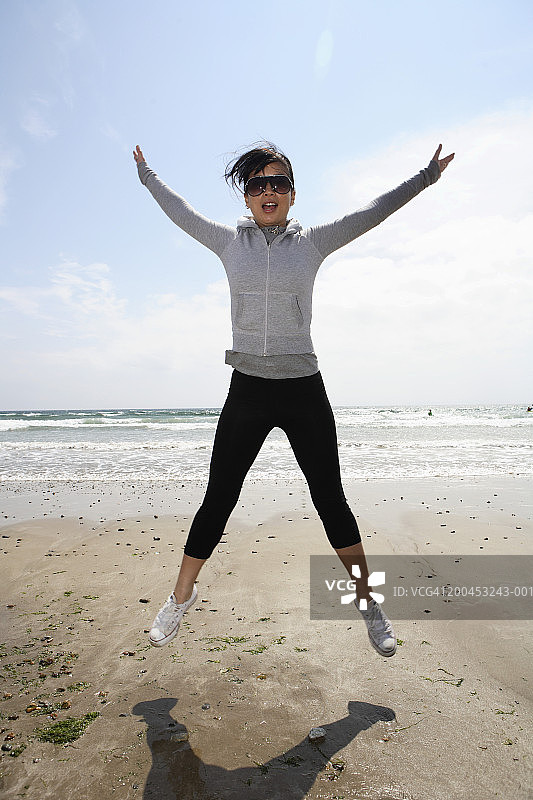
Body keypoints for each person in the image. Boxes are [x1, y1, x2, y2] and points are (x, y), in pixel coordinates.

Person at [133, 140, 454, 658]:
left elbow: (372, 212)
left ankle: (369, 603)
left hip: (302, 386)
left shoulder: (313, 243)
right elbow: (180, 211)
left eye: (276, 182)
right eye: (256, 184)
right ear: (246, 197)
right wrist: (148, 176)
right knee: (220, 496)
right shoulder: (227, 243)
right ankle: (180, 597)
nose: (267, 191)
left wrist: (425, 177)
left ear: (291, 194)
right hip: (249, 387)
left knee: (330, 498)